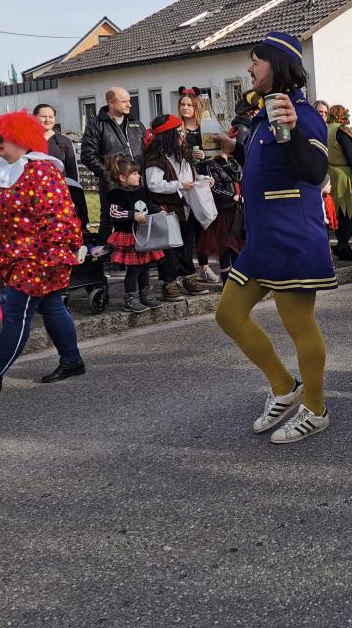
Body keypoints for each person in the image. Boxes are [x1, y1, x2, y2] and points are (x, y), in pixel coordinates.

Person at [215, 31, 335, 444]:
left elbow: (314, 172)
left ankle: (316, 409)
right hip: (261, 241)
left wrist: (295, 128)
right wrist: (235, 148)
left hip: (292, 239)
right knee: (228, 314)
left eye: (256, 61)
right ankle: (285, 387)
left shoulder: (303, 114)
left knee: (299, 324)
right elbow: (268, 163)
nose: (249, 68)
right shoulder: (266, 115)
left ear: (277, 66)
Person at [0, 112, 84, 400]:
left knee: (16, 315)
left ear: (22, 139)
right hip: (13, 258)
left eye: (3, 137)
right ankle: (72, 360)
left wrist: (52, 257)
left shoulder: (42, 171)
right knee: (51, 306)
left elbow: (60, 218)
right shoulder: (3, 170)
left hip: (37, 260)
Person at [142, 114, 211, 300]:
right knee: (170, 249)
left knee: (186, 245)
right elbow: (153, 184)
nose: (182, 135)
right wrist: (178, 185)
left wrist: (204, 181)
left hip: (185, 207)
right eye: (178, 132)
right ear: (168, 135)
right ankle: (169, 284)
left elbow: (190, 177)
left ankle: (188, 277)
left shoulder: (183, 154)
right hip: (168, 209)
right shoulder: (156, 157)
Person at [80, 86, 144, 243]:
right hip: (112, 182)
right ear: (111, 103)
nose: (129, 104)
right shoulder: (97, 124)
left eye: (129, 100)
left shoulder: (135, 123)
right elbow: (88, 155)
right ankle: (107, 256)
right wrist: (109, 175)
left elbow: (145, 148)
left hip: (136, 181)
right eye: (124, 101)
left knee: (138, 213)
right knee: (109, 217)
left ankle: (138, 251)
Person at [104, 154, 165, 312]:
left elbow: (149, 205)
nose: (139, 176)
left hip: (143, 235)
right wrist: (132, 215)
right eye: (135, 173)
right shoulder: (116, 194)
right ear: (123, 177)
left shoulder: (141, 191)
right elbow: (114, 214)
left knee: (145, 267)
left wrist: (159, 211)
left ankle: (146, 295)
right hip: (128, 236)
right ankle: (130, 298)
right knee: (134, 269)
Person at [177, 86, 221, 284]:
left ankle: (204, 266)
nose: (185, 108)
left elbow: (216, 153)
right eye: (182, 105)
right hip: (184, 181)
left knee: (204, 225)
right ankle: (187, 270)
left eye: (189, 105)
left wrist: (205, 154)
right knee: (186, 227)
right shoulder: (178, 130)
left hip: (202, 181)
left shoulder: (206, 128)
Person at [33, 103, 89, 232]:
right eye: (43, 116)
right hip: (35, 192)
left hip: (59, 193)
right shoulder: (28, 140)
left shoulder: (64, 141)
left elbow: (72, 171)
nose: (48, 119)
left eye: (50, 116)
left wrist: (72, 196)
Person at [326, 103, 352, 260]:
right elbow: (350, 154)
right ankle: (343, 244)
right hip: (346, 175)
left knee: (340, 212)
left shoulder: (325, 129)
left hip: (332, 174)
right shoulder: (341, 130)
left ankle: (343, 246)